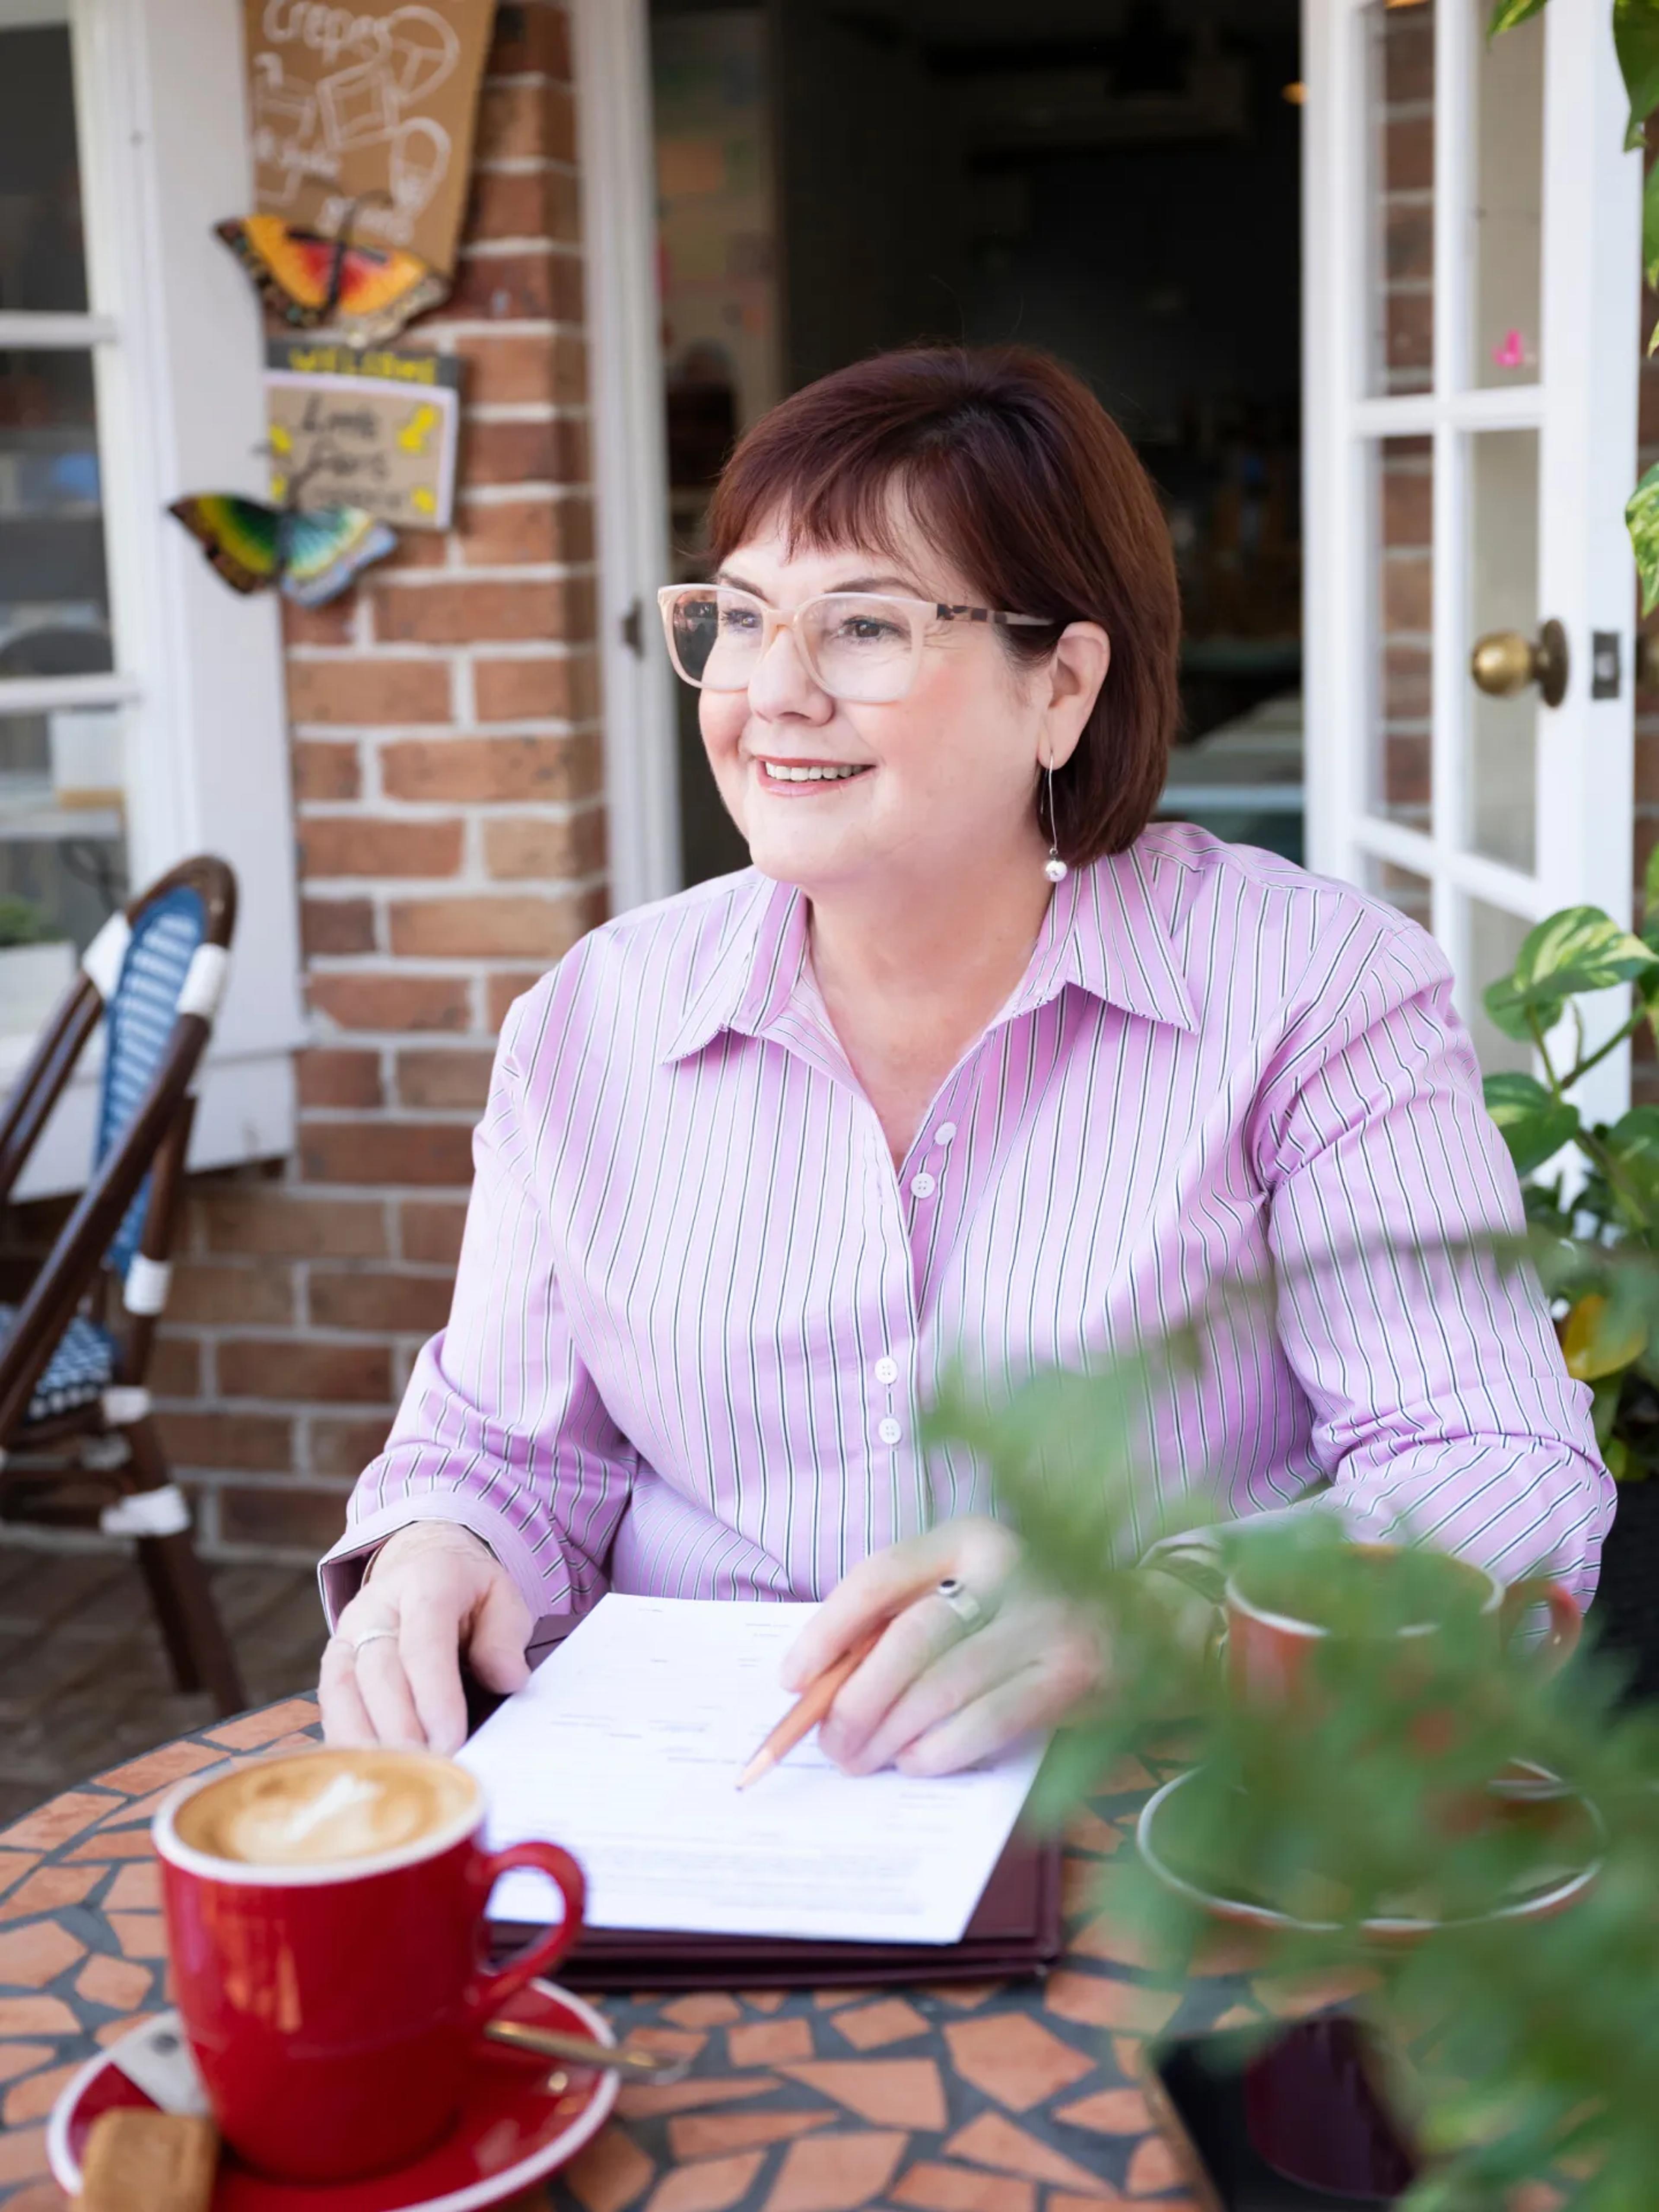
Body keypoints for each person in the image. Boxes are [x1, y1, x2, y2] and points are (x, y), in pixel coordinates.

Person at [317, 345, 1611, 1769]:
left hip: (1158, 1805)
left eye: (863, 626)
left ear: (1060, 687)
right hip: (707, 1804)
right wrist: (437, 1547)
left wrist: (1152, 1616)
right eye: (740, 619)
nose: (772, 692)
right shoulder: (590, 1021)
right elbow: (500, 1451)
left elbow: (1496, 1472)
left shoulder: (1311, 990)